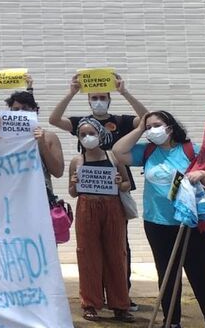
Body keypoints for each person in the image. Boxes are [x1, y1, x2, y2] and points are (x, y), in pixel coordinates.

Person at [113, 111, 205, 328]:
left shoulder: (191, 150)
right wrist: (139, 129)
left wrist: (202, 173)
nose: (152, 130)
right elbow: (118, 152)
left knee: (199, 274)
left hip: (189, 223)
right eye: (149, 127)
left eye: (157, 125)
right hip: (156, 223)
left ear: (170, 127)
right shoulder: (147, 152)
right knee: (166, 272)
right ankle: (171, 322)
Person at [49, 72, 147, 311]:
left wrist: (124, 91)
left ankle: (121, 297)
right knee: (89, 251)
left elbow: (146, 118)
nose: (98, 101)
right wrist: (71, 92)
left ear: (109, 99)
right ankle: (92, 300)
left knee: (119, 248)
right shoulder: (80, 124)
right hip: (87, 199)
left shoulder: (120, 122)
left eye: (103, 97)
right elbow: (54, 119)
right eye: (94, 97)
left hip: (114, 196)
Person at [67, 118, 133, 322]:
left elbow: (127, 184)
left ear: (100, 134)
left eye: (91, 133)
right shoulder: (77, 161)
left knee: (116, 254)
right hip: (87, 207)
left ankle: (120, 304)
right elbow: (72, 193)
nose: (88, 137)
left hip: (112, 207)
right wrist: (74, 183)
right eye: (83, 134)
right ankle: (90, 304)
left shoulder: (114, 157)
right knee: (87, 254)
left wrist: (119, 182)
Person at [0, 79, 64, 194]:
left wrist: (42, 144)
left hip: (39, 195)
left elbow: (58, 172)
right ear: (10, 112)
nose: (20, 113)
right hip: (9, 193)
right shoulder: (2, 134)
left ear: (35, 111)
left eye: (25, 109)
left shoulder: (49, 137)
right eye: (16, 110)